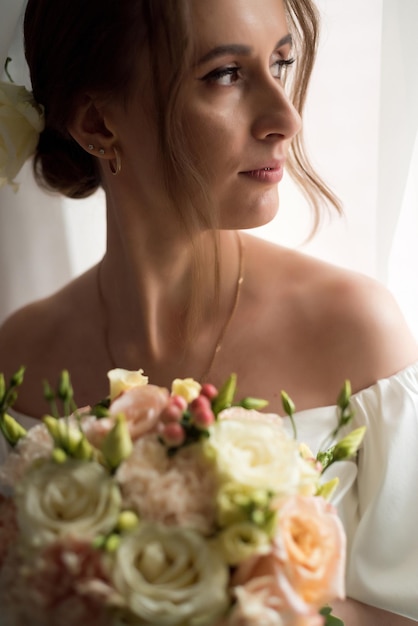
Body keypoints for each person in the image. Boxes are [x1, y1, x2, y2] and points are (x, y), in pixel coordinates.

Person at [0, 0, 417, 623]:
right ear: (97, 121)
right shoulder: (21, 358)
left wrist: (265, 596)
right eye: (225, 74)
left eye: (282, 61)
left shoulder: (356, 332)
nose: (287, 118)